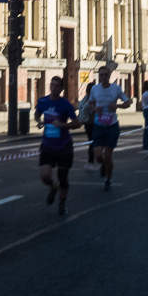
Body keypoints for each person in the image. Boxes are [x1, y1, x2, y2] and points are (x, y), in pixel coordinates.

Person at [35, 76, 82, 216]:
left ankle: (62, 202)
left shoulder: (65, 104)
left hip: (64, 145)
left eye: (56, 86)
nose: (53, 87)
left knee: (63, 177)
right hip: (47, 145)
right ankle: (53, 187)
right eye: (52, 85)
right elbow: (37, 113)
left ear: (61, 89)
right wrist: (38, 121)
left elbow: (77, 123)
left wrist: (63, 125)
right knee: (44, 176)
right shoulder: (42, 101)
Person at [90, 67, 132, 190]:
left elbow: (128, 102)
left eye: (105, 75)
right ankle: (104, 165)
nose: (103, 77)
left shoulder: (116, 88)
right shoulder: (94, 89)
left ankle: (108, 179)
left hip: (112, 126)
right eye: (101, 75)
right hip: (98, 125)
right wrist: (94, 109)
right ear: (98, 76)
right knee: (98, 156)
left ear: (109, 75)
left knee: (108, 155)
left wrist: (116, 105)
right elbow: (90, 103)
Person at [78, 82, 98, 171]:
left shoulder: (85, 98)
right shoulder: (93, 99)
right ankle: (91, 161)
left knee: (91, 142)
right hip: (93, 123)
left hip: (86, 124)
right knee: (94, 143)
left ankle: (91, 161)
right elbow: (92, 113)